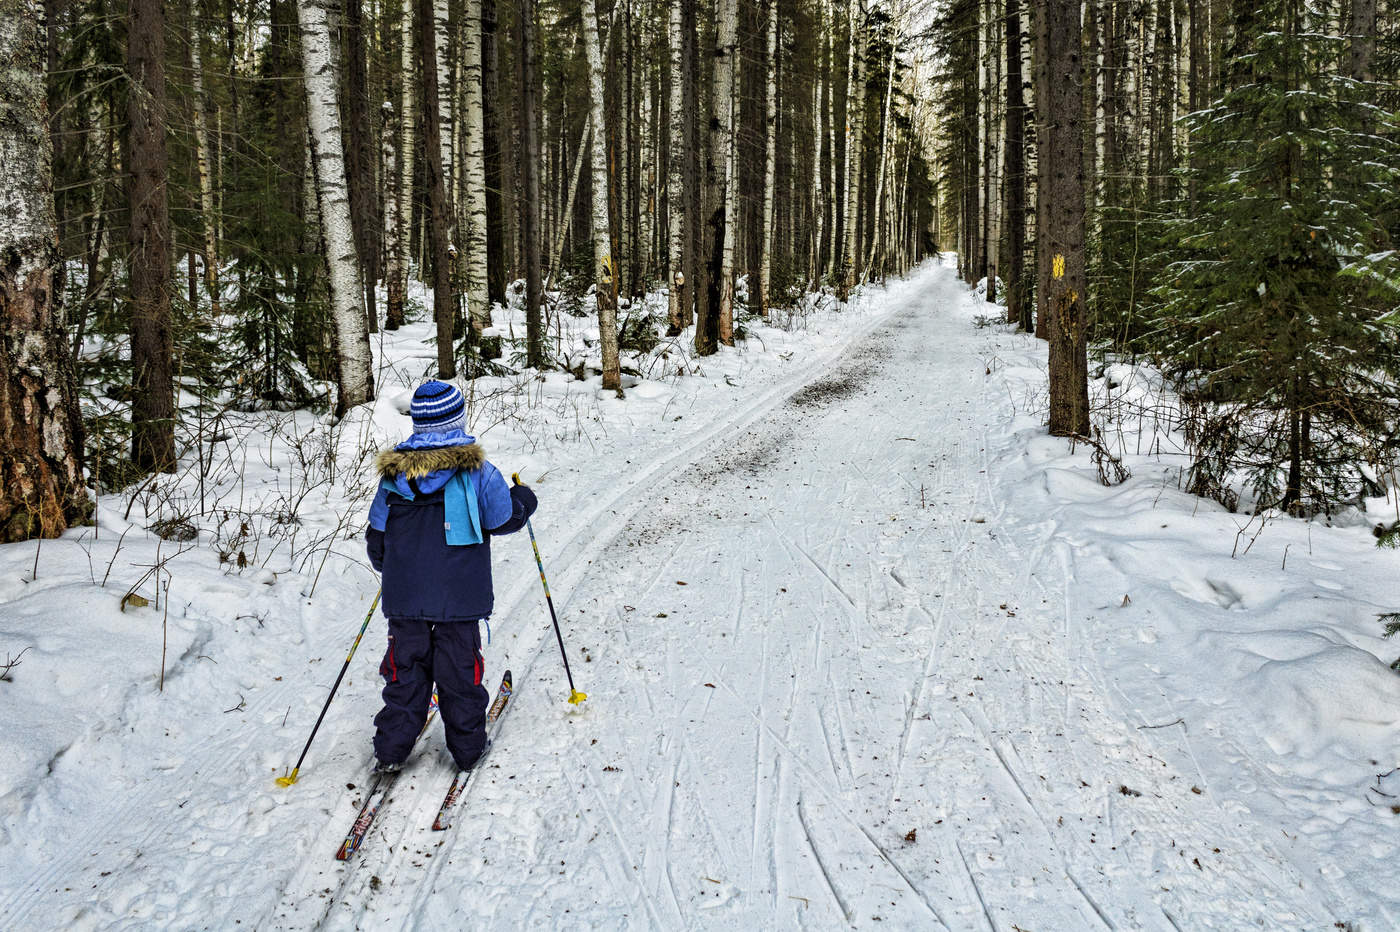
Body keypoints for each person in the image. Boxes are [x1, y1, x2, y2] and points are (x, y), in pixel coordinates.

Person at [365, 380, 537, 774]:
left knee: (404, 672)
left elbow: (378, 540)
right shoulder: (479, 471)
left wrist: (396, 567)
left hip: (405, 599)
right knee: (459, 672)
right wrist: (524, 500)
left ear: (419, 424)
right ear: (458, 420)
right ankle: (468, 749)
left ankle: (391, 750)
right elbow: (503, 518)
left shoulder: (394, 477)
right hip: (459, 600)